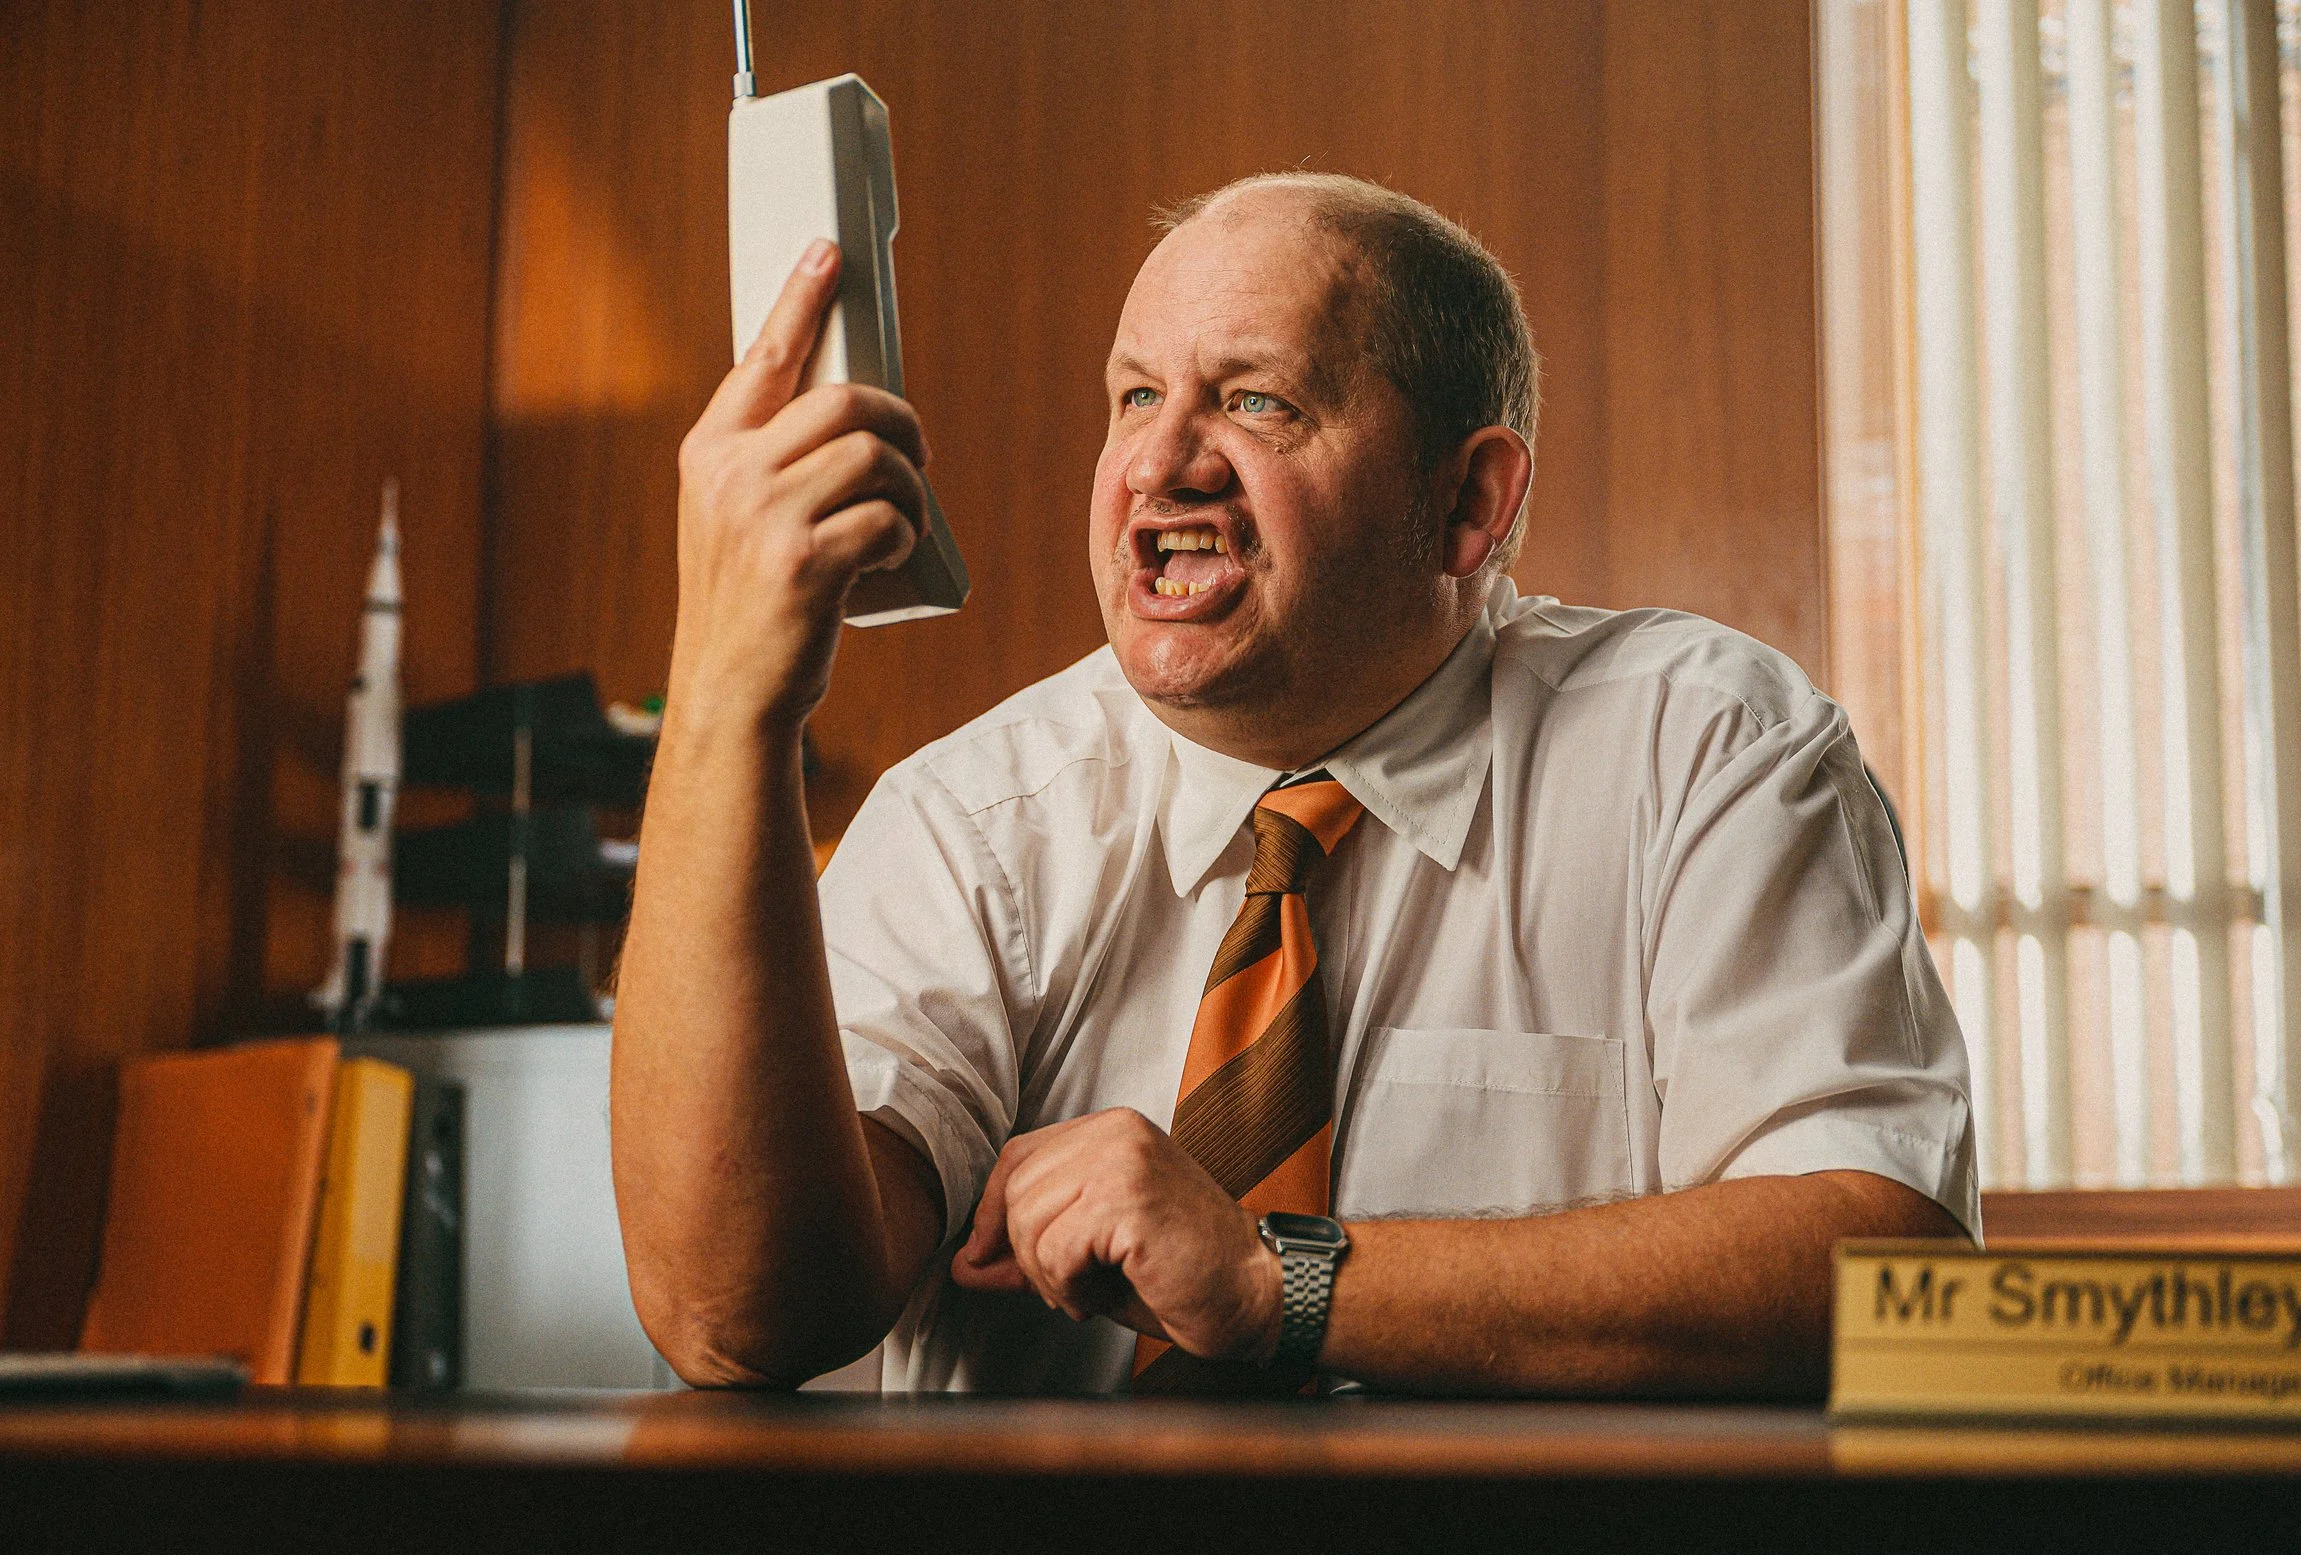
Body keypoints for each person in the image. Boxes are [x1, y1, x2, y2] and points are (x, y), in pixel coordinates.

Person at [612, 173, 1975, 1397]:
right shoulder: (973, 823)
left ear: (1469, 505)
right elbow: (740, 1316)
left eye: (1257, 399)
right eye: (1136, 395)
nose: (1159, 461)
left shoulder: (1707, 753)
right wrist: (734, 704)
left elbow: (1884, 1267)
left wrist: (1283, 1279)